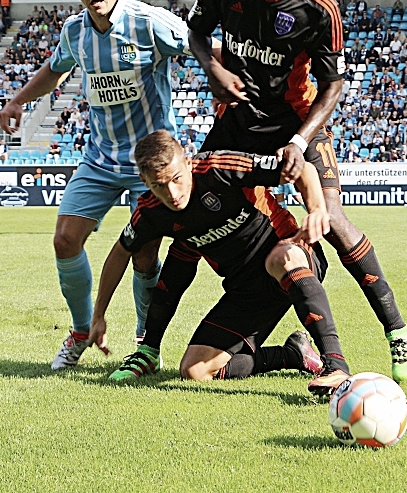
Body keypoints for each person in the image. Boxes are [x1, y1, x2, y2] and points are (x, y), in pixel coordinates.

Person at [186, 0, 407, 381]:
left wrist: (296, 142)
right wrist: (212, 66)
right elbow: (196, 32)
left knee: (329, 216)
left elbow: (333, 85)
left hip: (297, 125)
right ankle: (158, 342)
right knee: (193, 207)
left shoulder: (320, 8)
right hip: (236, 124)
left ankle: (397, 331)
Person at [0, 0, 195, 370]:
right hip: (101, 158)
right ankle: (81, 330)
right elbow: (53, 71)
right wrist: (16, 101)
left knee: (144, 252)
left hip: (150, 163)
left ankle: (146, 341)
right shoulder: (74, 31)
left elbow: (199, 46)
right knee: (65, 239)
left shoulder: (150, 22)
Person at [89, 131, 351, 395]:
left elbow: (302, 168)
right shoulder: (151, 212)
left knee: (282, 258)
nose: (172, 193)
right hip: (246, 291)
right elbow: (121, 252)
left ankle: (336, 367)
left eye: (177, 179)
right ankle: (292, 355)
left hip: (295, 258)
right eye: (159, 185)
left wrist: (317, 210)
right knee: (194, 371)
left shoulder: (218, 168)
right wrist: (99, 315)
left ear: (187, 163)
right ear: (144, 181)